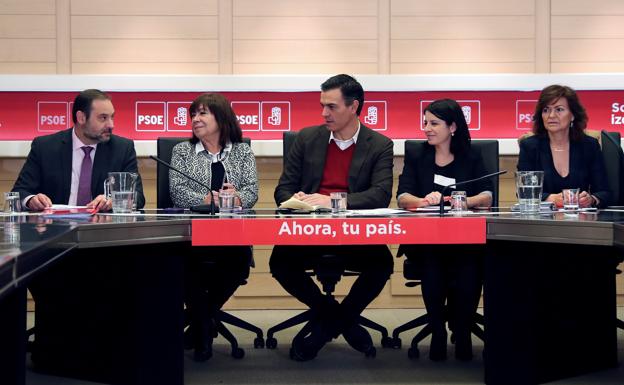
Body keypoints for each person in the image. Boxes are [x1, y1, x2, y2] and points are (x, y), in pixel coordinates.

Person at [270, 74, 394, 361]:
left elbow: (379, 195)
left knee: (382, 264)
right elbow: (282, 189)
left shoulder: (379, 144)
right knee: (280, 262)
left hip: (355, 234)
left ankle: (329, 326)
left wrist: (333, 201)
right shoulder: (306, 138)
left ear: (353, 107)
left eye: (332, 107)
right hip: (309, 232)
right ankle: (341, 319)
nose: (324, 113)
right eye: (322, 106)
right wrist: (296, 199)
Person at [396, 98, 493, 361]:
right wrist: (424, 201)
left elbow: (487, 196)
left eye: (434, 123)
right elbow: (402, 197)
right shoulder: (418, 155)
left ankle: (462, 333)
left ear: (452, 127)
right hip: (427, 239)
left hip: (465, 239)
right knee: (432, 263)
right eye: (425, 122)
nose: (427, 128)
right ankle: (438, 332)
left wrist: (460, 201)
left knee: (470, 265)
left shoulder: (471, 155)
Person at [169, 93, 258, 362]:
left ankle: (198, 325)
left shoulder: (242, 151)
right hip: (192, 234)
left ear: (221, 118)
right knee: (187, 267)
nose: (195, 119)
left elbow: (252, 191)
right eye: (193, 114)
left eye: (202, 113)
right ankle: (204, 328)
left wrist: (237, 197)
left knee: (238, 262)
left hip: (231, 235)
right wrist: (206, 200)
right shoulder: (182, 151)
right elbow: (177, 192)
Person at [12, 89, 145, 211]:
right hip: (55, 229)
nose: (111, 125)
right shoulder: (45, 147)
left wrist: (114, 201)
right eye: (103, 118)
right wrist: (31, 200)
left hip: (102, 230)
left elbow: (138, 197)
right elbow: (20, 192)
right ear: (81, 118)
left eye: (112, 117)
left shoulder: (122, 148)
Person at [518, 84, 611, 208]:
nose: (551, 115)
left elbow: (604, 192)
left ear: (572, 115)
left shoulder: (589, 146)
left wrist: (591, 199)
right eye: (546, 110)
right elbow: (524, 192)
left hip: (580, 221)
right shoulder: (529, 147)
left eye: (559, 109)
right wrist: (550, 198)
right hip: (542, 221)